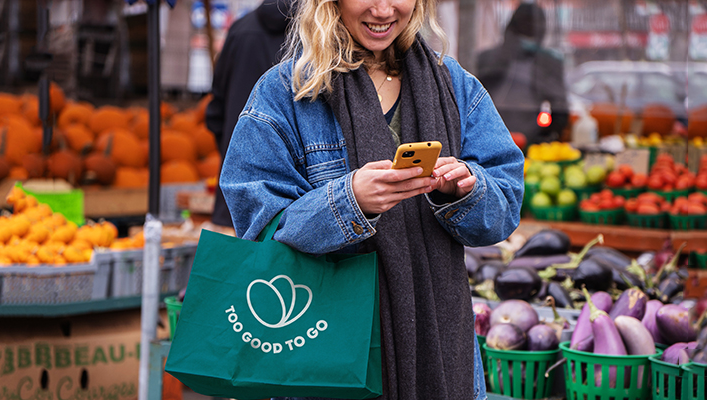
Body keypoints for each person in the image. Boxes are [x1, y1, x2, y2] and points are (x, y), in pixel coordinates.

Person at [220, 0, 524, 397]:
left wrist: (465, 187)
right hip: (325, 347)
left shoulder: (455, 85)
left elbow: (506, 203)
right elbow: (259, 227)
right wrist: (348, 201)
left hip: (440, 347)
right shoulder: (285, 92)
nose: (383, 10)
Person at [205, 0, 293, 236]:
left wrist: (232, 154)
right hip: (295, 201)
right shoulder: (315, 33)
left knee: (239, 270)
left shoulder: (240, 29)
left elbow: (215, 111)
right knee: (288, 272)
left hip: (234, 194)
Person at [476, 2, 568, 145]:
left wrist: (544, 138)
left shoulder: (548, 63)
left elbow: (560, 108)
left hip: (531, 141)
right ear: (511, 29)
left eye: (535, 28)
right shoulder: (487, 60)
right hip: (488, 138)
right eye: (525, 27)